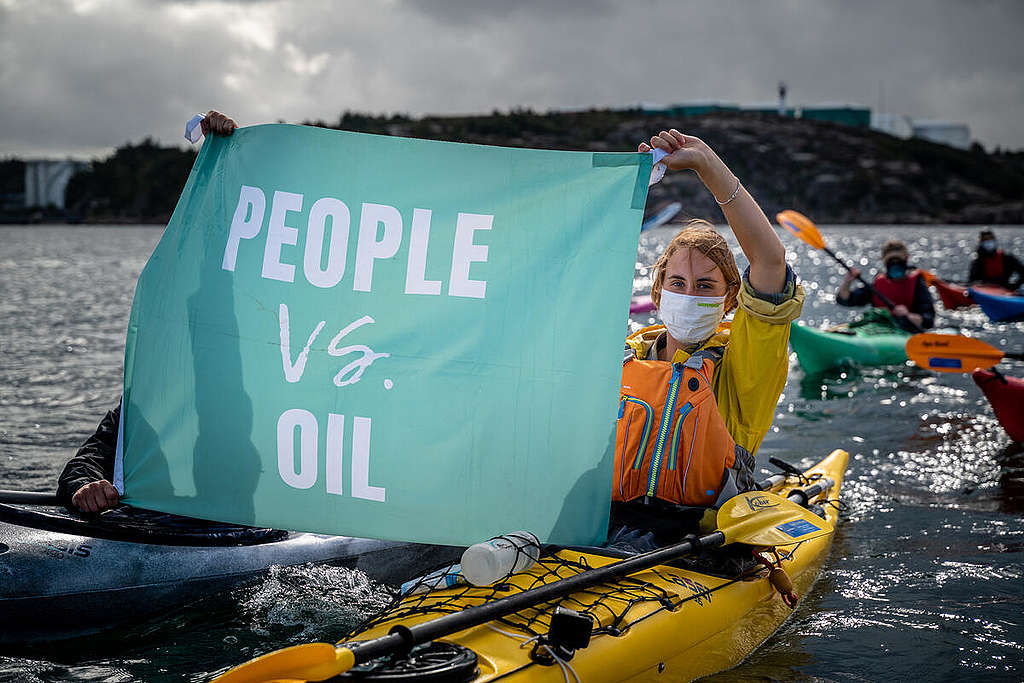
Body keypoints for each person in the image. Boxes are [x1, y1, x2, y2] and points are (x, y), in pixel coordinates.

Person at [608, 129, 805, 553]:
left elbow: (769, 261)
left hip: (698, 544)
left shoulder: (743, 364)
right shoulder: (622, 357)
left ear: (730, 298)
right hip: (604, 528)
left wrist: (706, 164)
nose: (689, 294)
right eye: (678, 283)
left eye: (705, 285)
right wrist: (624, 185)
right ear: (657, 291)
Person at [56, 111, 239, 514]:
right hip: (165, 531)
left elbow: (221, 268)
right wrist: (86, 486)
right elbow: (81, 464)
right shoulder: (145, 404)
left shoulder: (254, 398)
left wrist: (226, 158)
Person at [835, 239, 935, 333]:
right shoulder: (878, 283)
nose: (895, 264)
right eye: (891, 260)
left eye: (898, 260)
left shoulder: (917, 284)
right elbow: (845, 300)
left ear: (906, 259)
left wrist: (907, 315)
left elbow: (928, 320)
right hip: (879, 330)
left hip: (907, 331)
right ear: (884, 261)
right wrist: (848, 282)